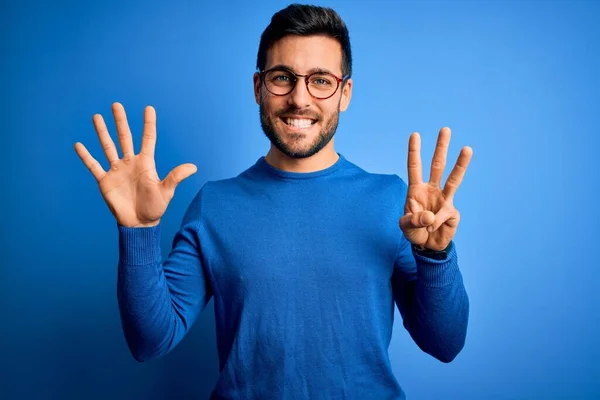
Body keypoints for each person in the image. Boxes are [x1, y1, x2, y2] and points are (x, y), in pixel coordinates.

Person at [74, 4, 473, 399]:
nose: (299, 98)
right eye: (282, 77)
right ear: (258, 87)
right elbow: (150, 341)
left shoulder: (393, 203)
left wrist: (436, 256)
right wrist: (139, 232)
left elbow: (444, 344)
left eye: (320, 80)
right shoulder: (214, 205)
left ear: (344, 93)